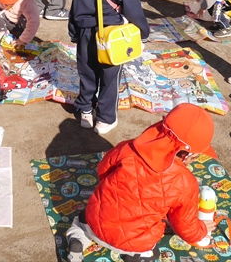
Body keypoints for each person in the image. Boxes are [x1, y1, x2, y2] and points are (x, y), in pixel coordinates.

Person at [66, 104, 218, 262]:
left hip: (95, 224)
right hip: (133, 242)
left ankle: (78, 239)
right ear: (188, 155)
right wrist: (201, 231)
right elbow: (184, 226)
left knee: (82, 221)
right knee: (150, 247)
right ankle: (136, 256)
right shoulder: (186, 182)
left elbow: (103, 169)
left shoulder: (127, 147)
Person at [68, 0, 150, 135]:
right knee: (110, 77)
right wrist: (143, 33)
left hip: (85, 34)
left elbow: (75, 9)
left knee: (87, 73)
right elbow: (133, 7)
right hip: (111, 36)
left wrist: (74, 33)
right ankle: (105, 120)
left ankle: (86, 111)